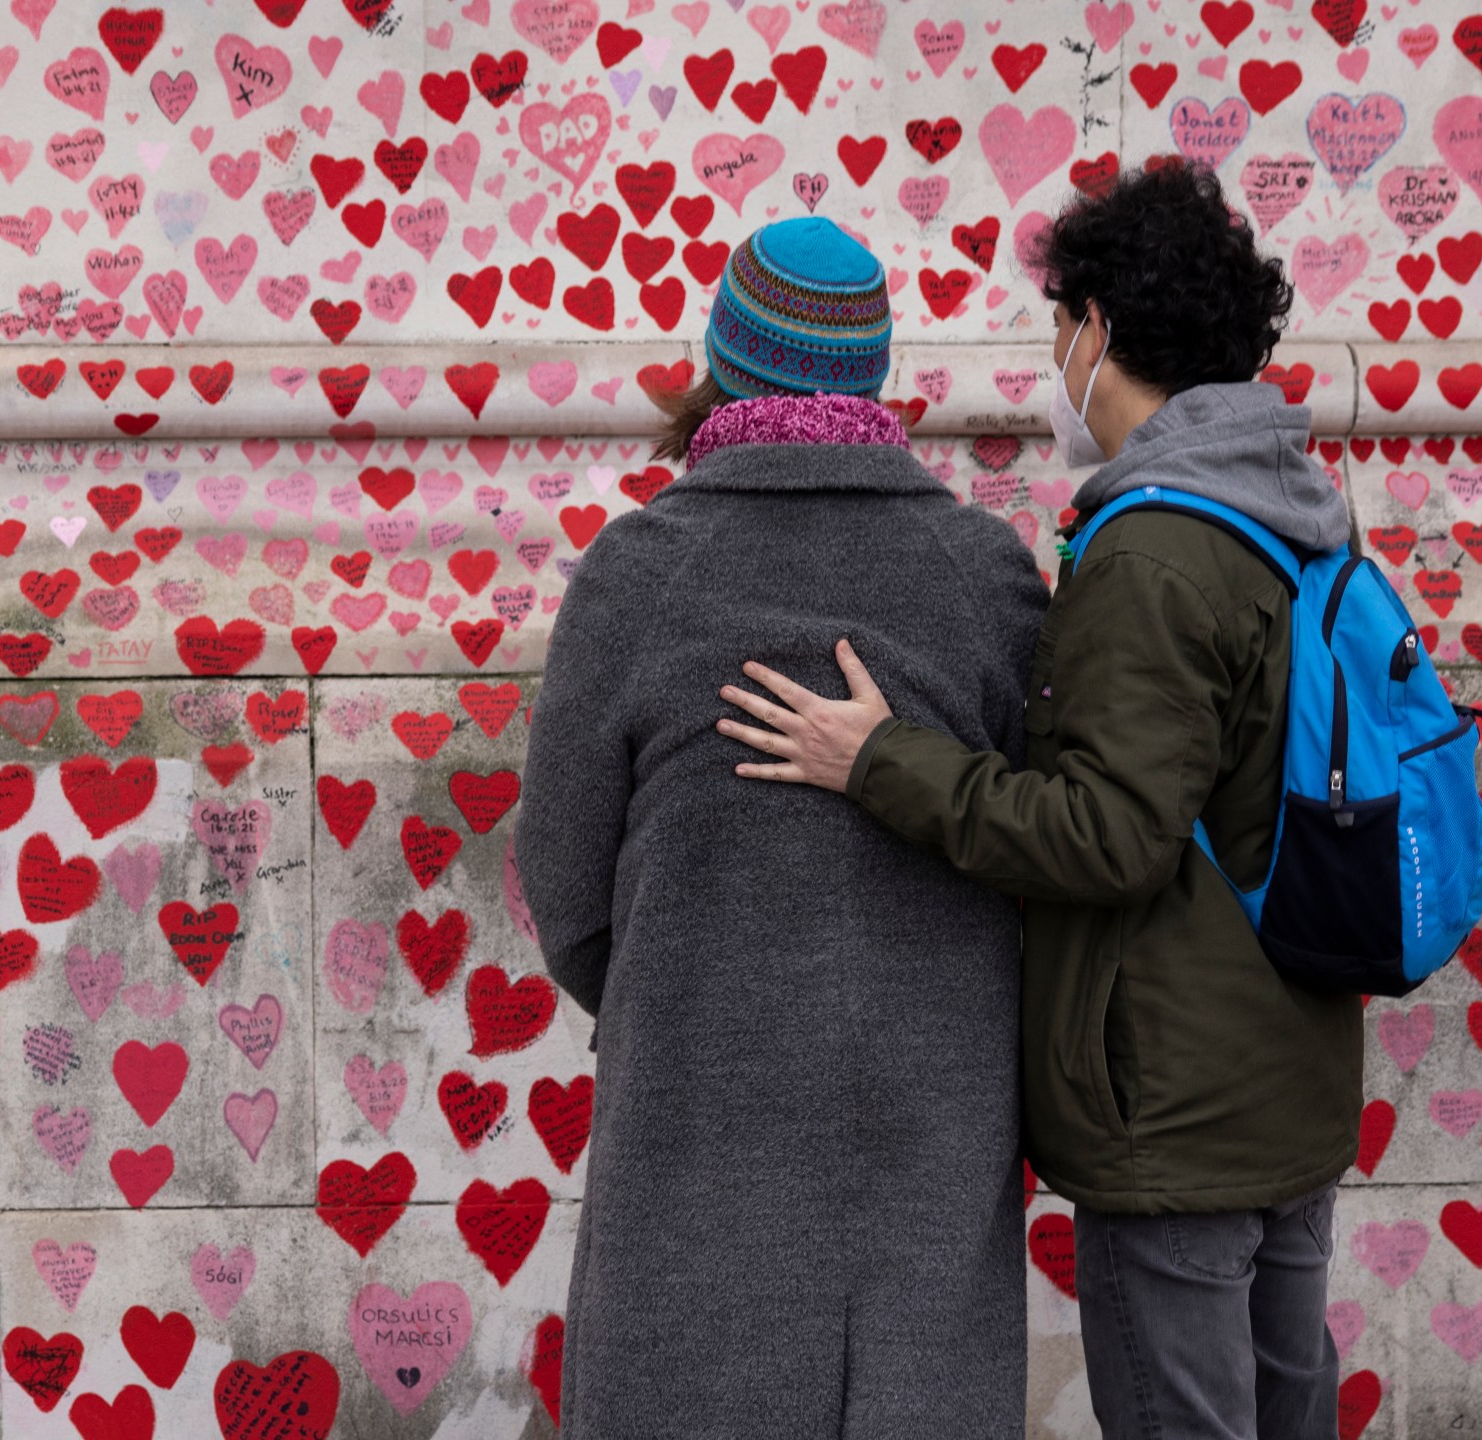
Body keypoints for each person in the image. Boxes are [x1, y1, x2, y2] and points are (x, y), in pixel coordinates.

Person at [716, 160, 1362, 1440]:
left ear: (1101, 332)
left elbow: (1110, 835)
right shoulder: (1291, 511)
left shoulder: (1157, 546)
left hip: (1173, 1113)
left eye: (1059, 326)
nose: (1052, 357)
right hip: (1284, 1077)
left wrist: (878, 758)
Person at [511, 214, 1050, 1437]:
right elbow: (1043, 837)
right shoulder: (982, 570)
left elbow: (564, 879)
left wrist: (680, 996)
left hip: (696, 1106)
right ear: (874, 376)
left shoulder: (640, 570)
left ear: (724, 359)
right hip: (936, 1108)